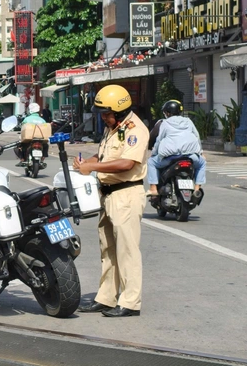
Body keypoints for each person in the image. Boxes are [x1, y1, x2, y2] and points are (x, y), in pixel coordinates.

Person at [73, 85, 149, 318]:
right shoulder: (113, 128)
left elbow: (127, 163)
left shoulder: (136, 130)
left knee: (127, 250)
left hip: (126, 194)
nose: (103, 118)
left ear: (120, 110)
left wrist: (93, 167)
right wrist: (87, 162)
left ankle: (130, 302)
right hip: (107, 194)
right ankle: (106, 298)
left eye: (107, 113)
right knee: (108, 249)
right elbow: (104, 155)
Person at [147, 100, 206, 202]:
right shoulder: (188, 121)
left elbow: (159, 140)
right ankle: (197, 188)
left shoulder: (165, 123)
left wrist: (154, 153)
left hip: (170, 157)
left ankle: (153, 189)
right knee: (202, 163)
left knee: (151, 162)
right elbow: (197, 137)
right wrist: (200, 153)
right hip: (190, 156)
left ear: (167, 113)